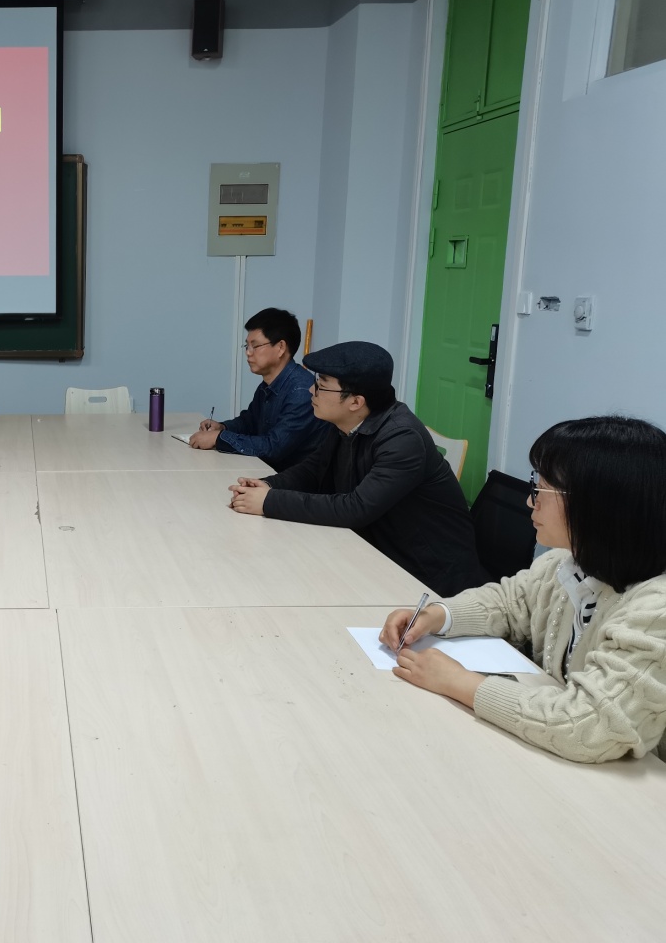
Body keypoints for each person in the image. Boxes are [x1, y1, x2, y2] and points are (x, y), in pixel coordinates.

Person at [381, 415, 666, 763]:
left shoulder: (656, 610)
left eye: (541, 490)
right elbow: (508, 602)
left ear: (598, 506)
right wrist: (437, 616)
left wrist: (458, 682)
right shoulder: (565, 562)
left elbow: (589, 726)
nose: (531, 502)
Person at [229, 340, 486, 596]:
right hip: (376, 553)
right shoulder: (346, 422)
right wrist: (269, 485)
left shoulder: (402, 439)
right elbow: (314, 469)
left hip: (427, 579)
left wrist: (269, 502)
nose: (311, 390)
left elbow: (356, 508)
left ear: (355, 402)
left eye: (321, 385)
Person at [188, 307, 328, 471]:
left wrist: (218, 438)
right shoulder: (267, 384)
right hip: (265, 470)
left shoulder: (302, 391)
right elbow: (249, 422)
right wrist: (222, 427)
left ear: (280, 347)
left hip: (291, 480)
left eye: (255, 346)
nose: (248, 353)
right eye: (246, 346)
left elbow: (273, 447)